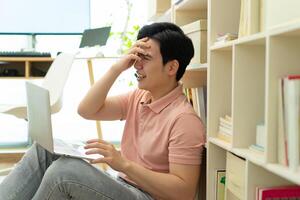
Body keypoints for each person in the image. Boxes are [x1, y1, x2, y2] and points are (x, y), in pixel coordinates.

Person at [0, 22, 206, 200]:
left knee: (64, 172)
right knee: (43, 150)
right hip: (124, 185)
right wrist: (116, 68)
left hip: (147, 196)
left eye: (146, 58)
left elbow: (184, 192)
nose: (137, 65)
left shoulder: (184, 120)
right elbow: (87, 110)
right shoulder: (139, 97)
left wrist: (123, 164)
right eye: (137, 56)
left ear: (171, 68)